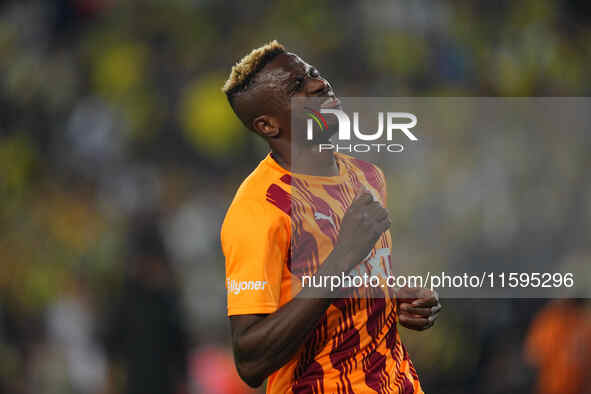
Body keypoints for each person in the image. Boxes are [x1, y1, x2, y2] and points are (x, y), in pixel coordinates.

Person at [220, 40, 441, 393]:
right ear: (268, 125)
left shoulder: (366, 176)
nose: (318, 84)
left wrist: (389, 299)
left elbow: (345, 287)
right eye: (297, 88)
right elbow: (250, 360)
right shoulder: (259, 209)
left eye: (312, 73)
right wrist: (342, 257)